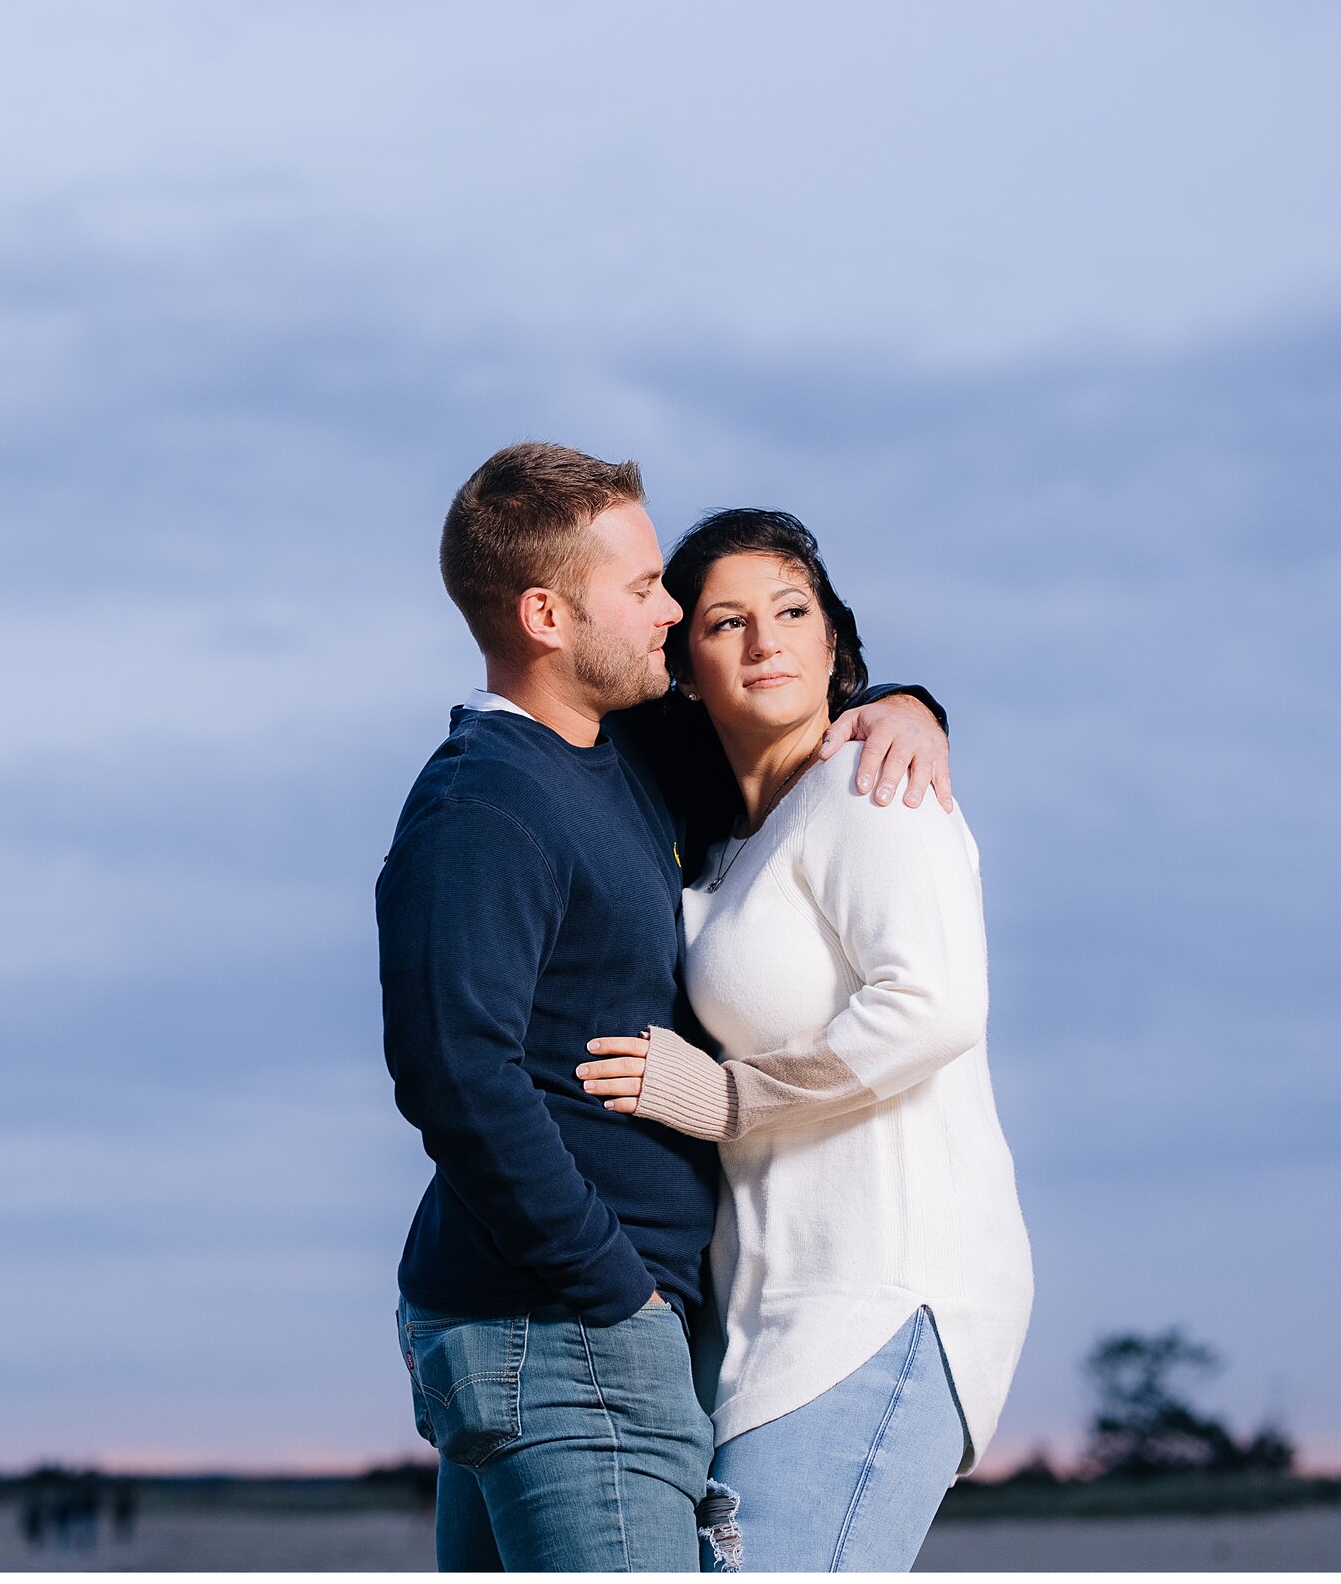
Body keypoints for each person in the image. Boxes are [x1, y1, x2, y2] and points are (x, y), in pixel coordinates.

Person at [380, 446, 952, 1571]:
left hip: (567, 1323)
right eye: (642, 587)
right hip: (568, 1331)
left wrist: (907, 706)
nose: (674, 609)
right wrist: (614, 1289)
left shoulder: (616, 765)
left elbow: (775, 703)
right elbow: (454, 1072)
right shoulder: (483, 803)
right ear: (546, 614)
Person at [576, 508, 1033, 1572]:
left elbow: (932, 1007)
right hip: (767, 1313)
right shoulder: (718, 850)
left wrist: (731, 1098)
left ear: (835, 641)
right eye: (725, 622)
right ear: (683, 664)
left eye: (792, 611)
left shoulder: (873, 784)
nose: (765, 640)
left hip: (886, 1290)